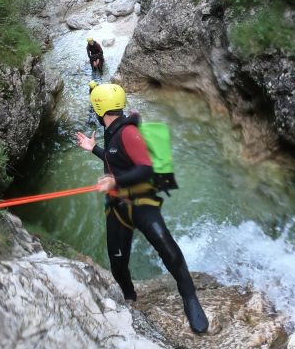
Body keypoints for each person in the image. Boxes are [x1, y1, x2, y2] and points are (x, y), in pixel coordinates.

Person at [75, 83, 209, 334]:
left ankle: (190, 297)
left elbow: (145, 167)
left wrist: (115, 181)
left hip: (141, 202)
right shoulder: (112, 130)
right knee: (117, 262)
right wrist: (93, 149)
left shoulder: (127, 132)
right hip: (117, 206)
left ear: (98, 108)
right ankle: (130, 298)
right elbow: (116, 159)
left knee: (166, 246)